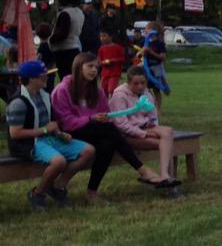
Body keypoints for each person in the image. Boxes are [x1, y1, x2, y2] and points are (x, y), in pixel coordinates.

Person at [53, 53, 178, 199]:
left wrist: (105, 118)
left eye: (96, 67)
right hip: (69, 134)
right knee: (109, 130)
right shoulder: (63, 90)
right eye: (90, 66)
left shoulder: (97, 91)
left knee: (108, 144)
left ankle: (91, 192)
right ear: (78, 67)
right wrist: (91, 118)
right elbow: (66, 122)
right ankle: (143, 170)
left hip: (96, 131)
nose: (94, 70)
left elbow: (107, 114)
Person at [8, 60, 95, 210]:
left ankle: (58, 186)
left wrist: (59, 133)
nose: (47, 78)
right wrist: (45, 130)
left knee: (88, 151)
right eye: (43, 75)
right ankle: (37, 193)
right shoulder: (18, 103)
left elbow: (51, 123)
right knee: (59, 161)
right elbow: (15, 134)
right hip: (29, 143)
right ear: (32, 78)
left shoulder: (44, 95)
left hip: (49, 138)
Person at [109, 66, 181, 183]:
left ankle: (165, 175)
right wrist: (145, 134)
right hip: (128, 135)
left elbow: (153, 114)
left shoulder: (146, 93)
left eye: (143, 83)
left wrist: (153, 124)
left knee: (168, 131)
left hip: (145, 127)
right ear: (128, 82)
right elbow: (121, 124)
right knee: (165, 144)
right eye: (136, 83)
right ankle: (168, 180)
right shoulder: (119, 96)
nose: (140, 87)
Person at [48, 0, 85, 81]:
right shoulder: (80, 12)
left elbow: (63, 33)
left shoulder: (65, 13)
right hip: (75, 46)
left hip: (64, 50)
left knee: (65, 78)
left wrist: (51, 40)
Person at [139, 23, 169, 111]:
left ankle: (158, 108)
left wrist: (150, 52)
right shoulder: (146, 42)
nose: (145, 31)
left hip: (156, 69)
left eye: (147, 29)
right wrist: (141, 53)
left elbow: (163, 57)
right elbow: (140, 54)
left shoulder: (160, 44)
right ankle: (151, 105)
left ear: (154, 31)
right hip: (146, 68)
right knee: (145, 88)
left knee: (156, 89)